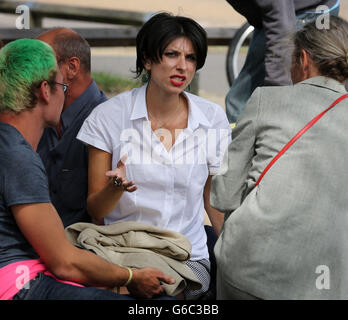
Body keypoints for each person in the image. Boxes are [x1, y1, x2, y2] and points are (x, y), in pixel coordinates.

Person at [0, 38, 175, 300]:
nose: (65, 93)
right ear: (46, 91)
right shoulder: (17, 156)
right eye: (62, 86)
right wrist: (131, 276)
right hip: (18, 285)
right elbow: (64, 262)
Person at [77, 12, 231, 300]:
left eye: (191, 58)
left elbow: (215, 201)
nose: (182, 67)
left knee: (162, 293)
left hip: (187, 255)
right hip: (121, 250)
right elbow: (97, 210)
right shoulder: (109, 116)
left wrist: (236, 255)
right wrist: (115, 188)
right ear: (147, 59)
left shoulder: (212, 118)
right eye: (171, 54)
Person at [211, 15, 348, 299]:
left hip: (248, 271)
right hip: (328, 284)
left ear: (303, 59)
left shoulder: (265, 100)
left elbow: (223, 194)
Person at [225, 0, 340, 124]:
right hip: (282, 13)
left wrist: (276, 94)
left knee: (240, 104)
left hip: (305, 12)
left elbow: (281, 34)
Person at [36, 28, 108, 227]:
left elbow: (104, 216)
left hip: (83, 246)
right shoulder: (38, 111)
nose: (30, 71)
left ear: (71, 67)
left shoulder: (107, 121)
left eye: (40, 62)